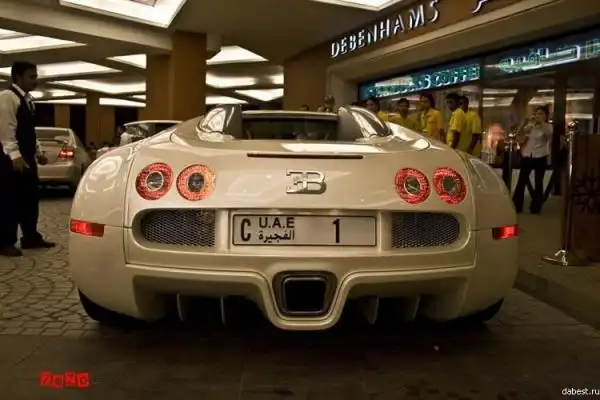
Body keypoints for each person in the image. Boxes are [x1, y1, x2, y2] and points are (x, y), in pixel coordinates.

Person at [0, 61, 55, 257]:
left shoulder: (28, 99)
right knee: (9, 200)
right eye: (31, 77)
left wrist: (38, 152)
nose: (35, 80)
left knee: (30, 198)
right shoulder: (8, 97)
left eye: (36, 76)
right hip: (10, 158)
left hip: (27, 157)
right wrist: (14, 155)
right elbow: (6, 128)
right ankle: (4, 241)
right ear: (17, 77)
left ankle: (30, 237)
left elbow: (29, 130)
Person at [512, 106, 552, 214]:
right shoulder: (531, 126)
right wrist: (523, 123)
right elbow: (519, 133)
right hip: (528, 155)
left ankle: (535, 207)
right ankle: (517, 205)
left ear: (546, 116)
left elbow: (548, 135)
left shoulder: (548, 127)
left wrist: (542, 124)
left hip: (541, 156)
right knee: (522, 181)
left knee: (538, 182)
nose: (538, 116)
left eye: (541, 114)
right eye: (537, 113)